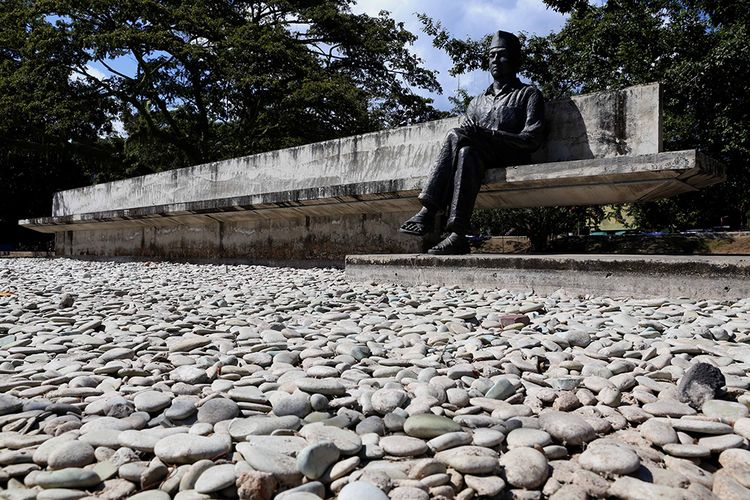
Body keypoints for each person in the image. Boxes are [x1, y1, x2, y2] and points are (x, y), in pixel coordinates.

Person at [399, 30, 545, 254]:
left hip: (511, 157)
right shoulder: (476, 102)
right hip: (477, 161)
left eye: (502, 55)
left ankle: (428, 211)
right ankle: (457, 234)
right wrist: (477, 137)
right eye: (491, 55)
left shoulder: (528, 94)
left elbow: (531, 140)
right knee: (466, 152)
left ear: (516, 59)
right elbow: (463, 143)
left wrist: (489, 135)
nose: (495, 60)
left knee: (455, 136)